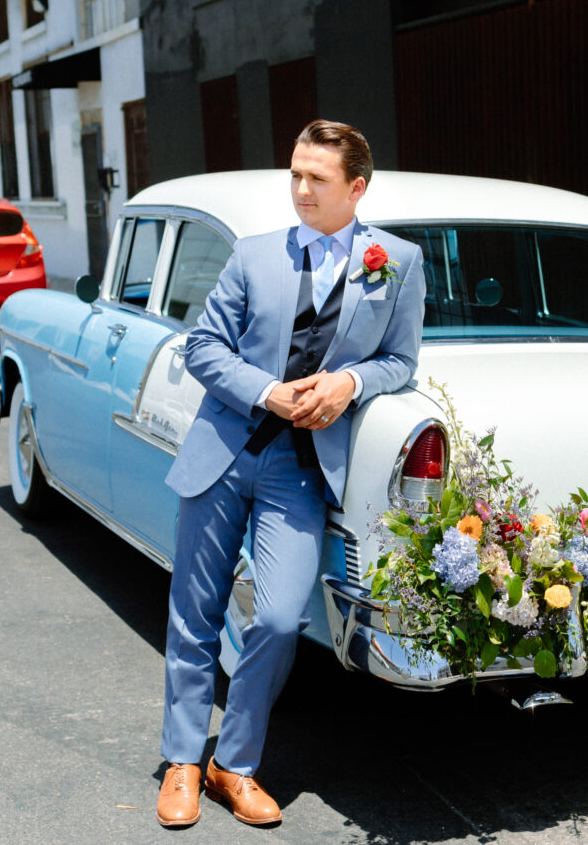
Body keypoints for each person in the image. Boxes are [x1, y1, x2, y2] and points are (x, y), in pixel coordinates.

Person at [155, 120, 426, 827]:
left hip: (303, 471)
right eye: (296, 175)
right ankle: (183, 761)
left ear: (356, 188)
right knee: (196, 612)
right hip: (227, 451)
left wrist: (350, 383)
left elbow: (401, 361)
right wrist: (265, 391)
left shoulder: (396, 262)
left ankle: (232, 765)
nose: (301, 189)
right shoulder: (253, 256)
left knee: (279, 617)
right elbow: (204, 347)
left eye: (318, 179)